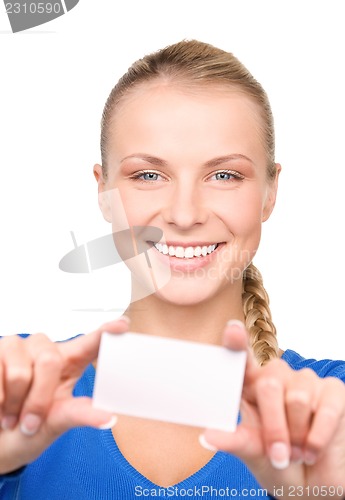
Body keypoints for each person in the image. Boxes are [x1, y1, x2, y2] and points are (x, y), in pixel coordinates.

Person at [0, 39, 344, 499]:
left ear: (269, 192)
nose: (184, 214)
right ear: (104, 192)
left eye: (224, 175)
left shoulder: (333, 409)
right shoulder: (13, 385)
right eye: (148, 175)